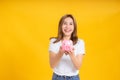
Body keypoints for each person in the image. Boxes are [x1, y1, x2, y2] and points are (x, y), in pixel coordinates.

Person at [48, 14, 85, 80]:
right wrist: (60, 53)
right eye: (65, 23)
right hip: (57, 77)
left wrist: (72, 54)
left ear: (74, 27)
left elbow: (78, 66)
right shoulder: (54, 41)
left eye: (71, 24)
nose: (67, 27)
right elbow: (52, 65)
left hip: (74, 78)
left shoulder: (80, 42)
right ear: (60, 26)